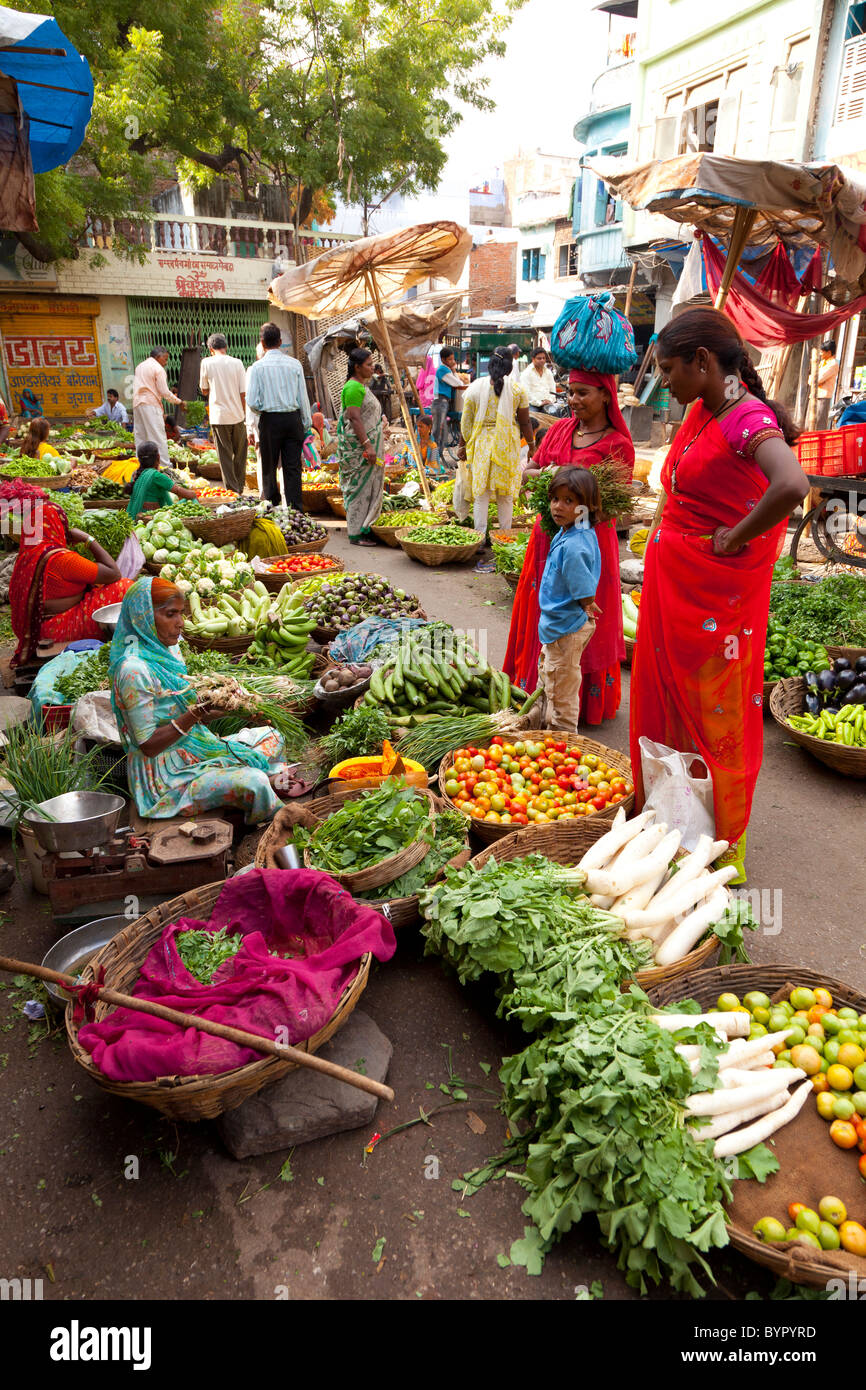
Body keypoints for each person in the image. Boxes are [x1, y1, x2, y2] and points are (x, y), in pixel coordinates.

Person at [632, 306, 809, 881]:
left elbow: (791, 485)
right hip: (676, 584)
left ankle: (717, 840)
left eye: (669, 369)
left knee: (713, 705)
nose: (664, 381)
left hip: (714, 596)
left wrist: (733, 536)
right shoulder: (708, 410)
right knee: (672, 693)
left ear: (703, 362)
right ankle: (675, 817)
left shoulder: (744, 419)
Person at [504, 368, 635, 725]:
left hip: (587, 546)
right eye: (570, 392)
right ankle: (534, 692)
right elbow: (529, 469)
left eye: (582, 393)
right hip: (548, 538)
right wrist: (550, 475)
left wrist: (577, 500)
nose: (574, 400)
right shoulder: (560, 430)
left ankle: (571, 711)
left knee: (579, 614)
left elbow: (614, 507)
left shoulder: (617, 445)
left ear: (606, 395)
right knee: (545, 606)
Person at [110, 577, 287, 822]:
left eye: (181, 614)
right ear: (144, 617)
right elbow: (148, 745)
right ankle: (267, 815)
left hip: (195, 746)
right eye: (170, 614)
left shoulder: (168, 649)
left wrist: (234, 706)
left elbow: (190, 708)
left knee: (272, 736)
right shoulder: (133, 670)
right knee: (254, 781)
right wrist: (195, 713)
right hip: (165, 774)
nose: (181, 623)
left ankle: (246, 782)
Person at [5, 479, 132, 665]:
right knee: (124, 587)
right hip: (53, 630)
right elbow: (113, 573)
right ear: (57, 525)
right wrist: (87, 539)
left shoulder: (28, 555)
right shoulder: (61, 559)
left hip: (31, 629)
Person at [536, 467, 602, 732]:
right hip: (557, 626)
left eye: (569, 501)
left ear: (585, 506)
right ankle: (543, 730)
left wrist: (587, 601)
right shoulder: (570, 531)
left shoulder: (574, 545)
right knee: (550, 678)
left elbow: (583, 586)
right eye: (555, 499)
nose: (557, 506)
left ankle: (564, 740)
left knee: (561, 690)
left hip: (566, 627)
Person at [457, 346, 534, 534]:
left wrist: (462, 446)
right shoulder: (517, 390)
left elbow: (466, 422)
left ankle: (480, 537)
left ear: (490, 364)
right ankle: (504, 536)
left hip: (481, 446)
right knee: (505, 495)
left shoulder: (474, 388)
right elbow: (525, 423)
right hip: (506, 446)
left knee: (481, 495)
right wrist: (532, 446)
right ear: (509, 367)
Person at [245, 322, 311, 508]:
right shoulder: (294, 364)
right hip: (292, 419)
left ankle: (271, 508)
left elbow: (251, 401)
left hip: (270, 420)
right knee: (292, 468)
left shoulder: (258, 367)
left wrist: (263, 410)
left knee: (269, 467)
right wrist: (305, 424)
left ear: (262, 343)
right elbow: (303, 397)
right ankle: (294, 509)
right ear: (280, 342)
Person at [336, 346, 385, 546]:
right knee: (359, 489)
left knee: (369, 488)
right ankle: (356, 533)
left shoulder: (361, 386)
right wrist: (368, 445)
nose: (372, 368)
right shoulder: (353, 387)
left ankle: (366, 527)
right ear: (357, 367)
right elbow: (355, 418)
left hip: (366, 445)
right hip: (359, 449)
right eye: (368, 364)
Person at [199, 333, 248, 494]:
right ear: (226, 347)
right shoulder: (237, 363)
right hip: (237, 415)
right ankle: (239, 487)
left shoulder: (206, 362)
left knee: (225, 456)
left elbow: (204, 390)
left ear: (211, 349)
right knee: (240, 454)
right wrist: (244, 414)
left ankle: (232, 490)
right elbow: (243, 393)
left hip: (219, 416)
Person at [133, 347, 186, 464]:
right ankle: (164, 466)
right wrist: (179, 402)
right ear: (158, 357)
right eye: (165, 359)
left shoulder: (140, 366)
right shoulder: (158, 369)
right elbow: (165, 392)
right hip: (150, 404)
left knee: (141, 436)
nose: (166, 363)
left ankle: (140, 465)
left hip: (137, 404)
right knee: (158, 437)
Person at [127, 442, 200, 519]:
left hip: (138, 514)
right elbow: (181, 492)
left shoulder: (135, 474)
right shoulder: (157, 476)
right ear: (158, 457)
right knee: (192, 499)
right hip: (154, 516)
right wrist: (194, 494)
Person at [432, 347, 466, 453]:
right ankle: (434, 454)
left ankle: (438, 454)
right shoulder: (442, 370)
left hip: (444, 402)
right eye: (450, 359)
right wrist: (454, 371)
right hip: (440, 402)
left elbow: (457, 381)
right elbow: (458, 383)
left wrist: (454, 370)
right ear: (443, 360)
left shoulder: (447, 370)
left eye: (453, 359)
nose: (453, 361)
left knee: (442, 429)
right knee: (438, 429)